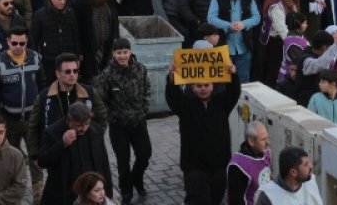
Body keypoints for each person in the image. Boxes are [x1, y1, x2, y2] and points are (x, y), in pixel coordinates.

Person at [166, 60, 241, 205]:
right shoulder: (186, 106)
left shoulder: (222, 103)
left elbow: (234, 92)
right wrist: (171, 78)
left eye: (206, 85)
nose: (203, 89)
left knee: (215, 200)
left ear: (213, 86)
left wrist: (233, 74)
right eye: (199, 86)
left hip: (219, 167)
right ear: (192, 87)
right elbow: (173, 96)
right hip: (194, 169)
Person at [95, 38, 152, 203]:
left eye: (125, 52)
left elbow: (147, 91)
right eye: (118, 52)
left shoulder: (140, 69)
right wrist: (110, 118)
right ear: (113, 53)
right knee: (122, 162)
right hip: (118, 125)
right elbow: (100, 100)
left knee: (144, 154)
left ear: (130, 52)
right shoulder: (106, 75)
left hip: (138, 121)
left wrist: (143, 111)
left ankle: (137, 178)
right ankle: (126, 191)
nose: (122, 56)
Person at [0, 26, 43, 154]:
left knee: (36, 157)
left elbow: (42, 84)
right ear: (8, 42)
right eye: (14, 43)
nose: (18, 46)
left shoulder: (36, 58)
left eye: (22, 43)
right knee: (10, 156)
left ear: (26, 42)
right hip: (10, 119)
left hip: (32, 117)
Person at [38, 103, 112, 205]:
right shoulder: (52, 132)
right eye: (79, 125)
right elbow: (42, 161)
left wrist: (108, 193)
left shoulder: (95, 130)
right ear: (69, 119)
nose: (84, 128)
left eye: (86, 124)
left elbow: (104, 162)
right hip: (64, 192)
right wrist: (62, 144)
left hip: (90, 192)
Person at [207, 0, 262, 83]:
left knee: (243, 83)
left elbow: (257, 17)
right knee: (222, 83)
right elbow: (211, 18)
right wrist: (228, 26)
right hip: (223, 48)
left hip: (244, 48)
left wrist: (244, 24)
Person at [253, 146, 322, 205]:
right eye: (306, 164)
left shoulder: (310, 181)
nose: (311, 166)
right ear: (293, 172)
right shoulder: (267, 196)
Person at [226, 122, 272, 205]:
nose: (268, 143)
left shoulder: (266, 153)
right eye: (263, 139)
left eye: (267, 138)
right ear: (251, 141)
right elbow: (235, 200)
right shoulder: (238, 166)